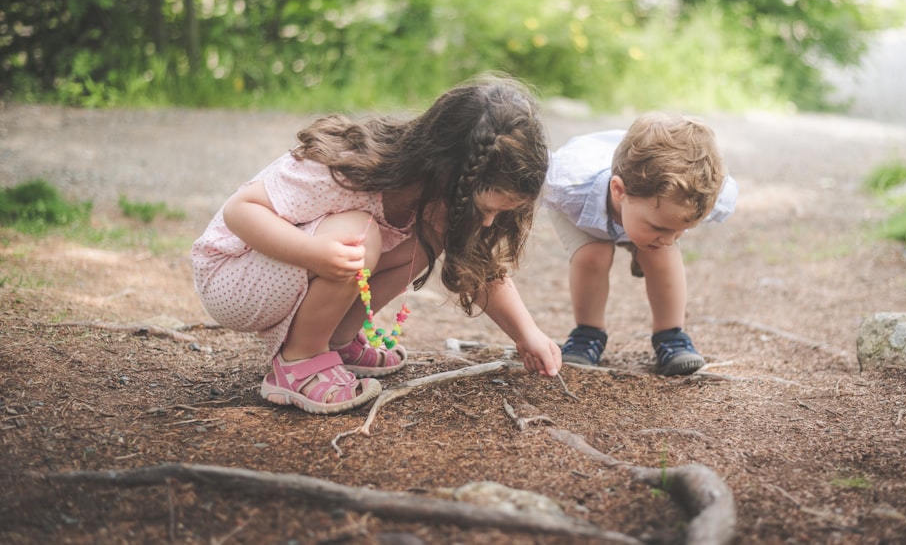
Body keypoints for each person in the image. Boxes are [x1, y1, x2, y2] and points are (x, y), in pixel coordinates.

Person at [192, 73, 562, 415]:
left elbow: (478, 265)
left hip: (281, 274)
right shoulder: (348, 169)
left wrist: (527, 334)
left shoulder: (439, 203)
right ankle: (298, 364)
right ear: (446, 171)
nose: (487, 222)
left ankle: (335, 342)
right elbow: (240, 211)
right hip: (233, 276)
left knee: (427, 238)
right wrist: (313, 253)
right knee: (358, 234)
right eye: (486, 208)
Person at [542, 113, 737, 375]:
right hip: (583, 212)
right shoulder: (566, 186)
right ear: (618, 191)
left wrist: (658, 233)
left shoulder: (698, 193)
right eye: (661, 228)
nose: (669, 237)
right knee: (593, 255)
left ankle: (671, 336)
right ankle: (587, 335)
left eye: (680, 230)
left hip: (635, 209)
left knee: (662, 254)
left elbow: (668, 227)